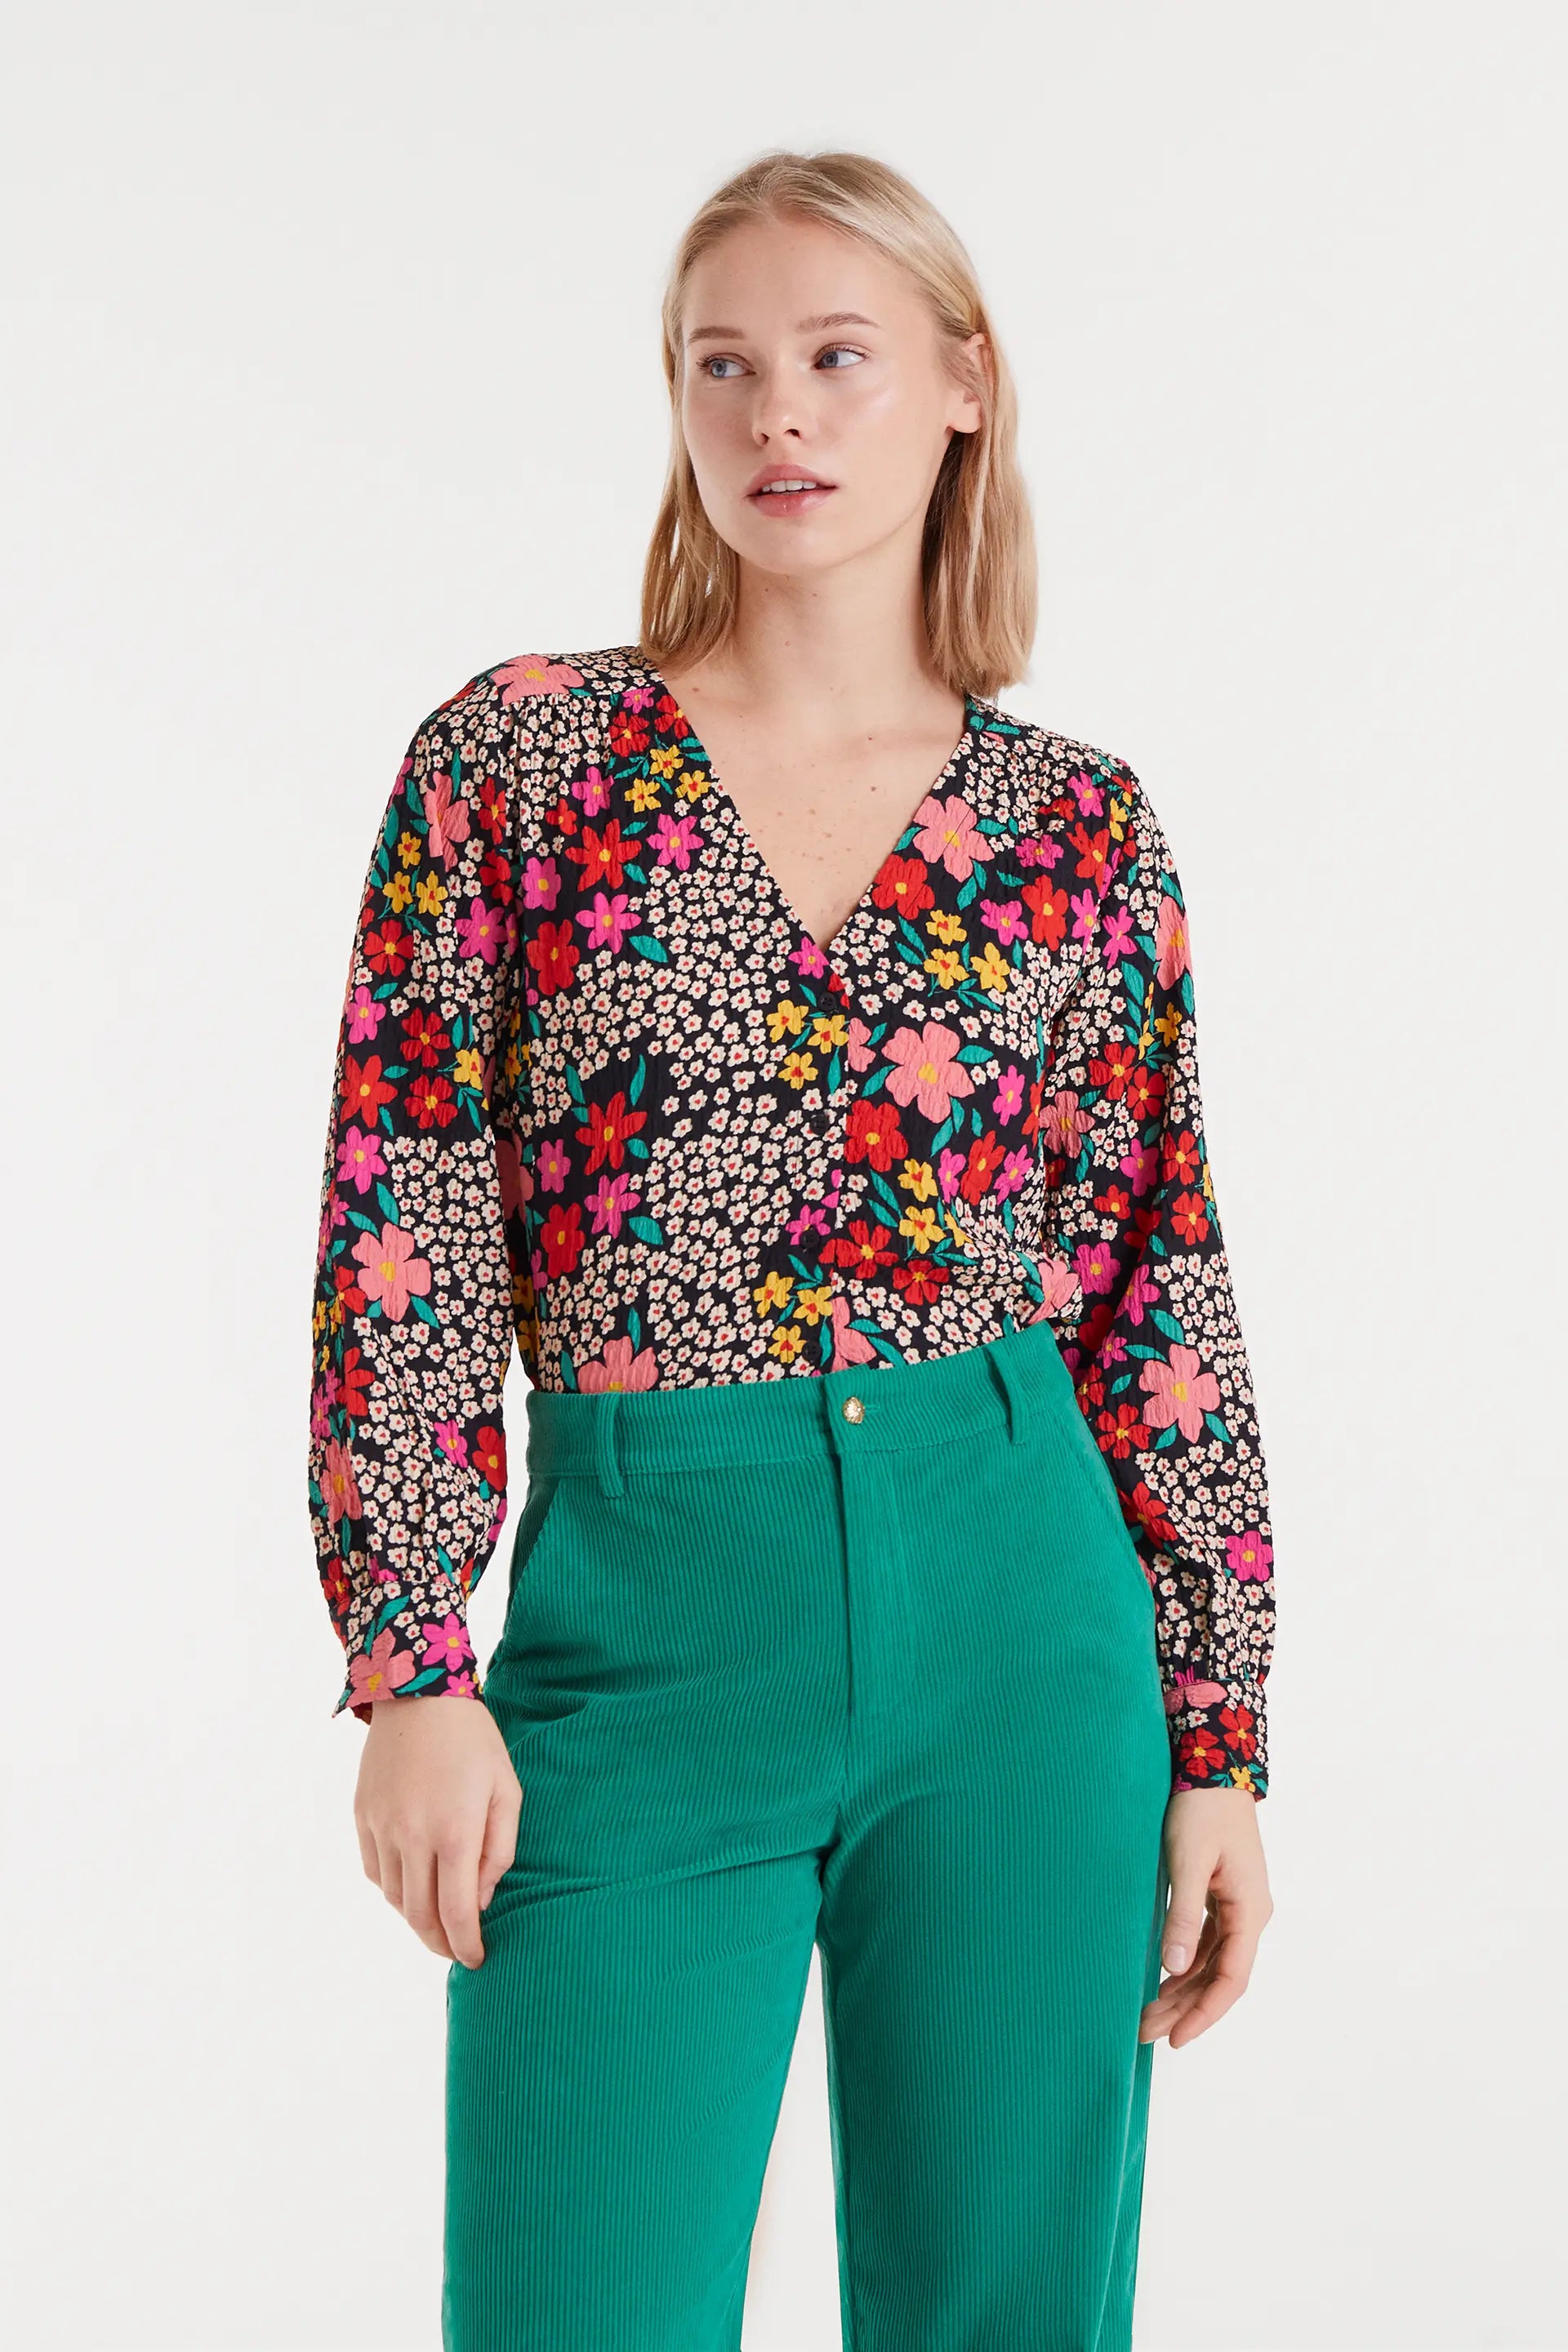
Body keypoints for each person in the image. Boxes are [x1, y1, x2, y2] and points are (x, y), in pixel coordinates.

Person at [307, 147, 1276, 2352]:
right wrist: (412, 1663)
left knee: (1007, 2311)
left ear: (964, 383)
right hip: (653, 1609)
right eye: (721, 365)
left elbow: (1154, 1276)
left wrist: (1219, 1737)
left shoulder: (1078, 826)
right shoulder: (521, 763)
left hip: (1023, 1602)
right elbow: (405, 1212)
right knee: (575, 2307)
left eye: (838, 358)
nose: (777, 418)